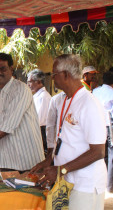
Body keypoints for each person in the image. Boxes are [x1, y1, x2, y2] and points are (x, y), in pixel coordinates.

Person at [32, 54, 107, 210]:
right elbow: (66, 139)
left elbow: (98, 152)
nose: (52, 78)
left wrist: (61, 170)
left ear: (65, 74)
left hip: (85, 184)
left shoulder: (89, 103)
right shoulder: (63, 100)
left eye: (54, 74)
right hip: (68, 182)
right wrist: (50, 160)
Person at [93, 71, 113, 192]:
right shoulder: (111, 93)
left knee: (97, 154)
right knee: (111, 155)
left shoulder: (95, 91)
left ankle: (97, 181)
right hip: (109, 126)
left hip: (96, 126)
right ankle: (109, 186)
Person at [27, 69, 51, 153]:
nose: (28, 84)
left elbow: (40, 120)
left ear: (38, 81)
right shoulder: (37, 96)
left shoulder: (44, 97)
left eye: (30, 82)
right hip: (36, 131)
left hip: (41, 133)